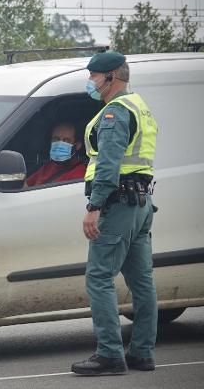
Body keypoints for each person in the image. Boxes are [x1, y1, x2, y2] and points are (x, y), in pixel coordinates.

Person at [71, 52, 158, 375]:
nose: (90, 81)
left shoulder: (115, 113)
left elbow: (108, 164)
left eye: (94, 76)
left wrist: (94, 206)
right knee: (142, 281)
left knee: (99, 277)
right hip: (140, 203)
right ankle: (142, 353)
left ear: (112, 77)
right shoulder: (140, 105)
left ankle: (109, 354)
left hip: (118, 202)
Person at [25, 122, 86, 187]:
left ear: (78, 145)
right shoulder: (47, 167)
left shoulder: (79, 174)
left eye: (66, 140)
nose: (59, 144)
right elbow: (25, 187)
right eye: (56, 139)